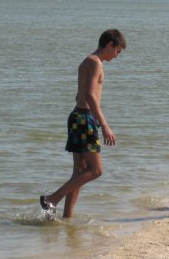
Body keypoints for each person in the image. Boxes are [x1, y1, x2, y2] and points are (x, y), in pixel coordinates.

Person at [39, 29, 126, 220]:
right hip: (85, 119)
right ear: (110, 45)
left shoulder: (86, 61)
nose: (117, 56)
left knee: (78, 173)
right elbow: (88, 95)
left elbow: (80, 94)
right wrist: (104, 124)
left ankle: (67, 218)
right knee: (96, 170)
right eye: (118, 51)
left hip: (77, 116)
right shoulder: (96, 64)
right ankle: (52, 199)